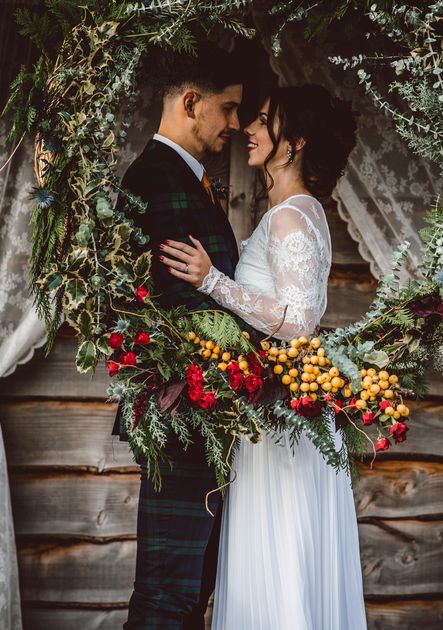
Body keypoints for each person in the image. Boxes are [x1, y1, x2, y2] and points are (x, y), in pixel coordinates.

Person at [159, 84, 368, 630]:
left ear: (293, 144)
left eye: (264, 121)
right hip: (274, 414)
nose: (248, 128)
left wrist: (213, 282)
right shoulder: (292, 212)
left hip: (281, 426)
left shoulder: (292, 217)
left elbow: (298, 322)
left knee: (278, 567)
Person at [112, 43, 247, 629]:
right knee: (169, 593)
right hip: (184, 411)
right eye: (229, 109)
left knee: (187, 593)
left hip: (201, 414)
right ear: (191, 103)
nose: (237, 125)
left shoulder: (184, 180)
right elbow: (176, 308)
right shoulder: (158, 180)